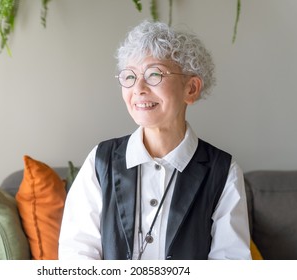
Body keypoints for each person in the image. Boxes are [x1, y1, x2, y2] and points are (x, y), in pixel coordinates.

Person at [58, 20, 251, 260]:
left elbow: (231, 263)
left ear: (191, 89)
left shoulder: (223, 171)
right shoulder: (100, 161)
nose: (138, 88)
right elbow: (77, 253)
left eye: (154, 74)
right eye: (129, 76)